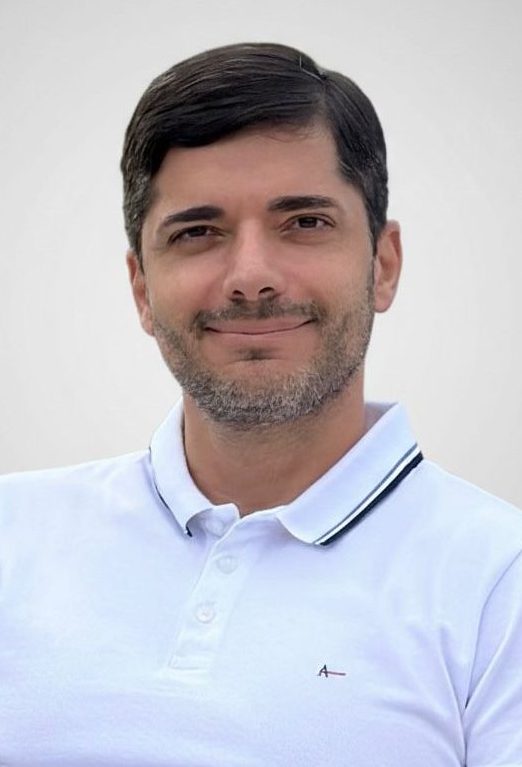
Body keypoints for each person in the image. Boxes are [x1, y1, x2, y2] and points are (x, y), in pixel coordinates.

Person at [1, 42, 521, 767]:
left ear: (384, 264)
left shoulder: (500, 582)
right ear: (141, 288)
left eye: (304, 222)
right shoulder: (12, 535)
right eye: (198, 232)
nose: (251, 276)